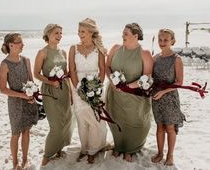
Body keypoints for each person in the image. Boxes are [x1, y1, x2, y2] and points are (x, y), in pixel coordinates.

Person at [106, 23, 153, 162]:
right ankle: (119, 145)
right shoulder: (115, 48)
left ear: (136, 36)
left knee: (134, 121)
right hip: (114, 94)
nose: (122, 36)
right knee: (116, 120)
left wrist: (128, 86)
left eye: (126, 34)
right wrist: (112, 80)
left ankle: (132, 148)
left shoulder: (144, 53)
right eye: (122, 33)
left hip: (134, 95)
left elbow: (148, 77)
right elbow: (107, 66)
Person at [69, 18, 107, 164]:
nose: (79, 34)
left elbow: (102, 70)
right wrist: (79, 88)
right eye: (79, 31)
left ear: (91, 32)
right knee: (81, 120)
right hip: (77, 87)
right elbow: (71, 69)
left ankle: (93, 150)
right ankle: (84, 148)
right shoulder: (73, 48)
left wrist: (96, 88)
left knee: (94, 119)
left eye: (83, 31)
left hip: (95, 87)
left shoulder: (99, 49)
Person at [34, 24, 72, 166]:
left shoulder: (63, 52)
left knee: (65, 121)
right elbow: (36, 73)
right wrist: (50, 81)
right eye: (56, 33)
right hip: (50, 92)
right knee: (55, 125)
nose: (59, 35)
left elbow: (66, 72)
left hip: (64, 90)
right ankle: (47, 154)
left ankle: (58, 148)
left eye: (61, 33)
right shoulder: (42, 52)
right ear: (48, 34)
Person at [0, 33, 38, 170]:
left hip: (29, 101)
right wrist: (22, 95)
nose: (23, 44)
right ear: (11, 45)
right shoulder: (5, 64)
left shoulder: (26, 60)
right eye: (19, 42)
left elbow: (31, 81)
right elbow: (3, 89)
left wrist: (33, 95)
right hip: (15, 103)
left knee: (26, 131)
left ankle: (25, 160)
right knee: (15, 133)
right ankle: (15, 163)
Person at [151, 29, 185, 166]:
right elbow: (151, 77)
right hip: (156, 97)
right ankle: (160, 153)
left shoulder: (176, 59)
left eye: (166, 40)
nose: (162, 42)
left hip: (170, 97)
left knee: (170, 127)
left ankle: (170, 156)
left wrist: (164, 92)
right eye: (160, 40)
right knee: (159, 127)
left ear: (172, 41)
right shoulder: (155, 58)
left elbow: (179, 82)